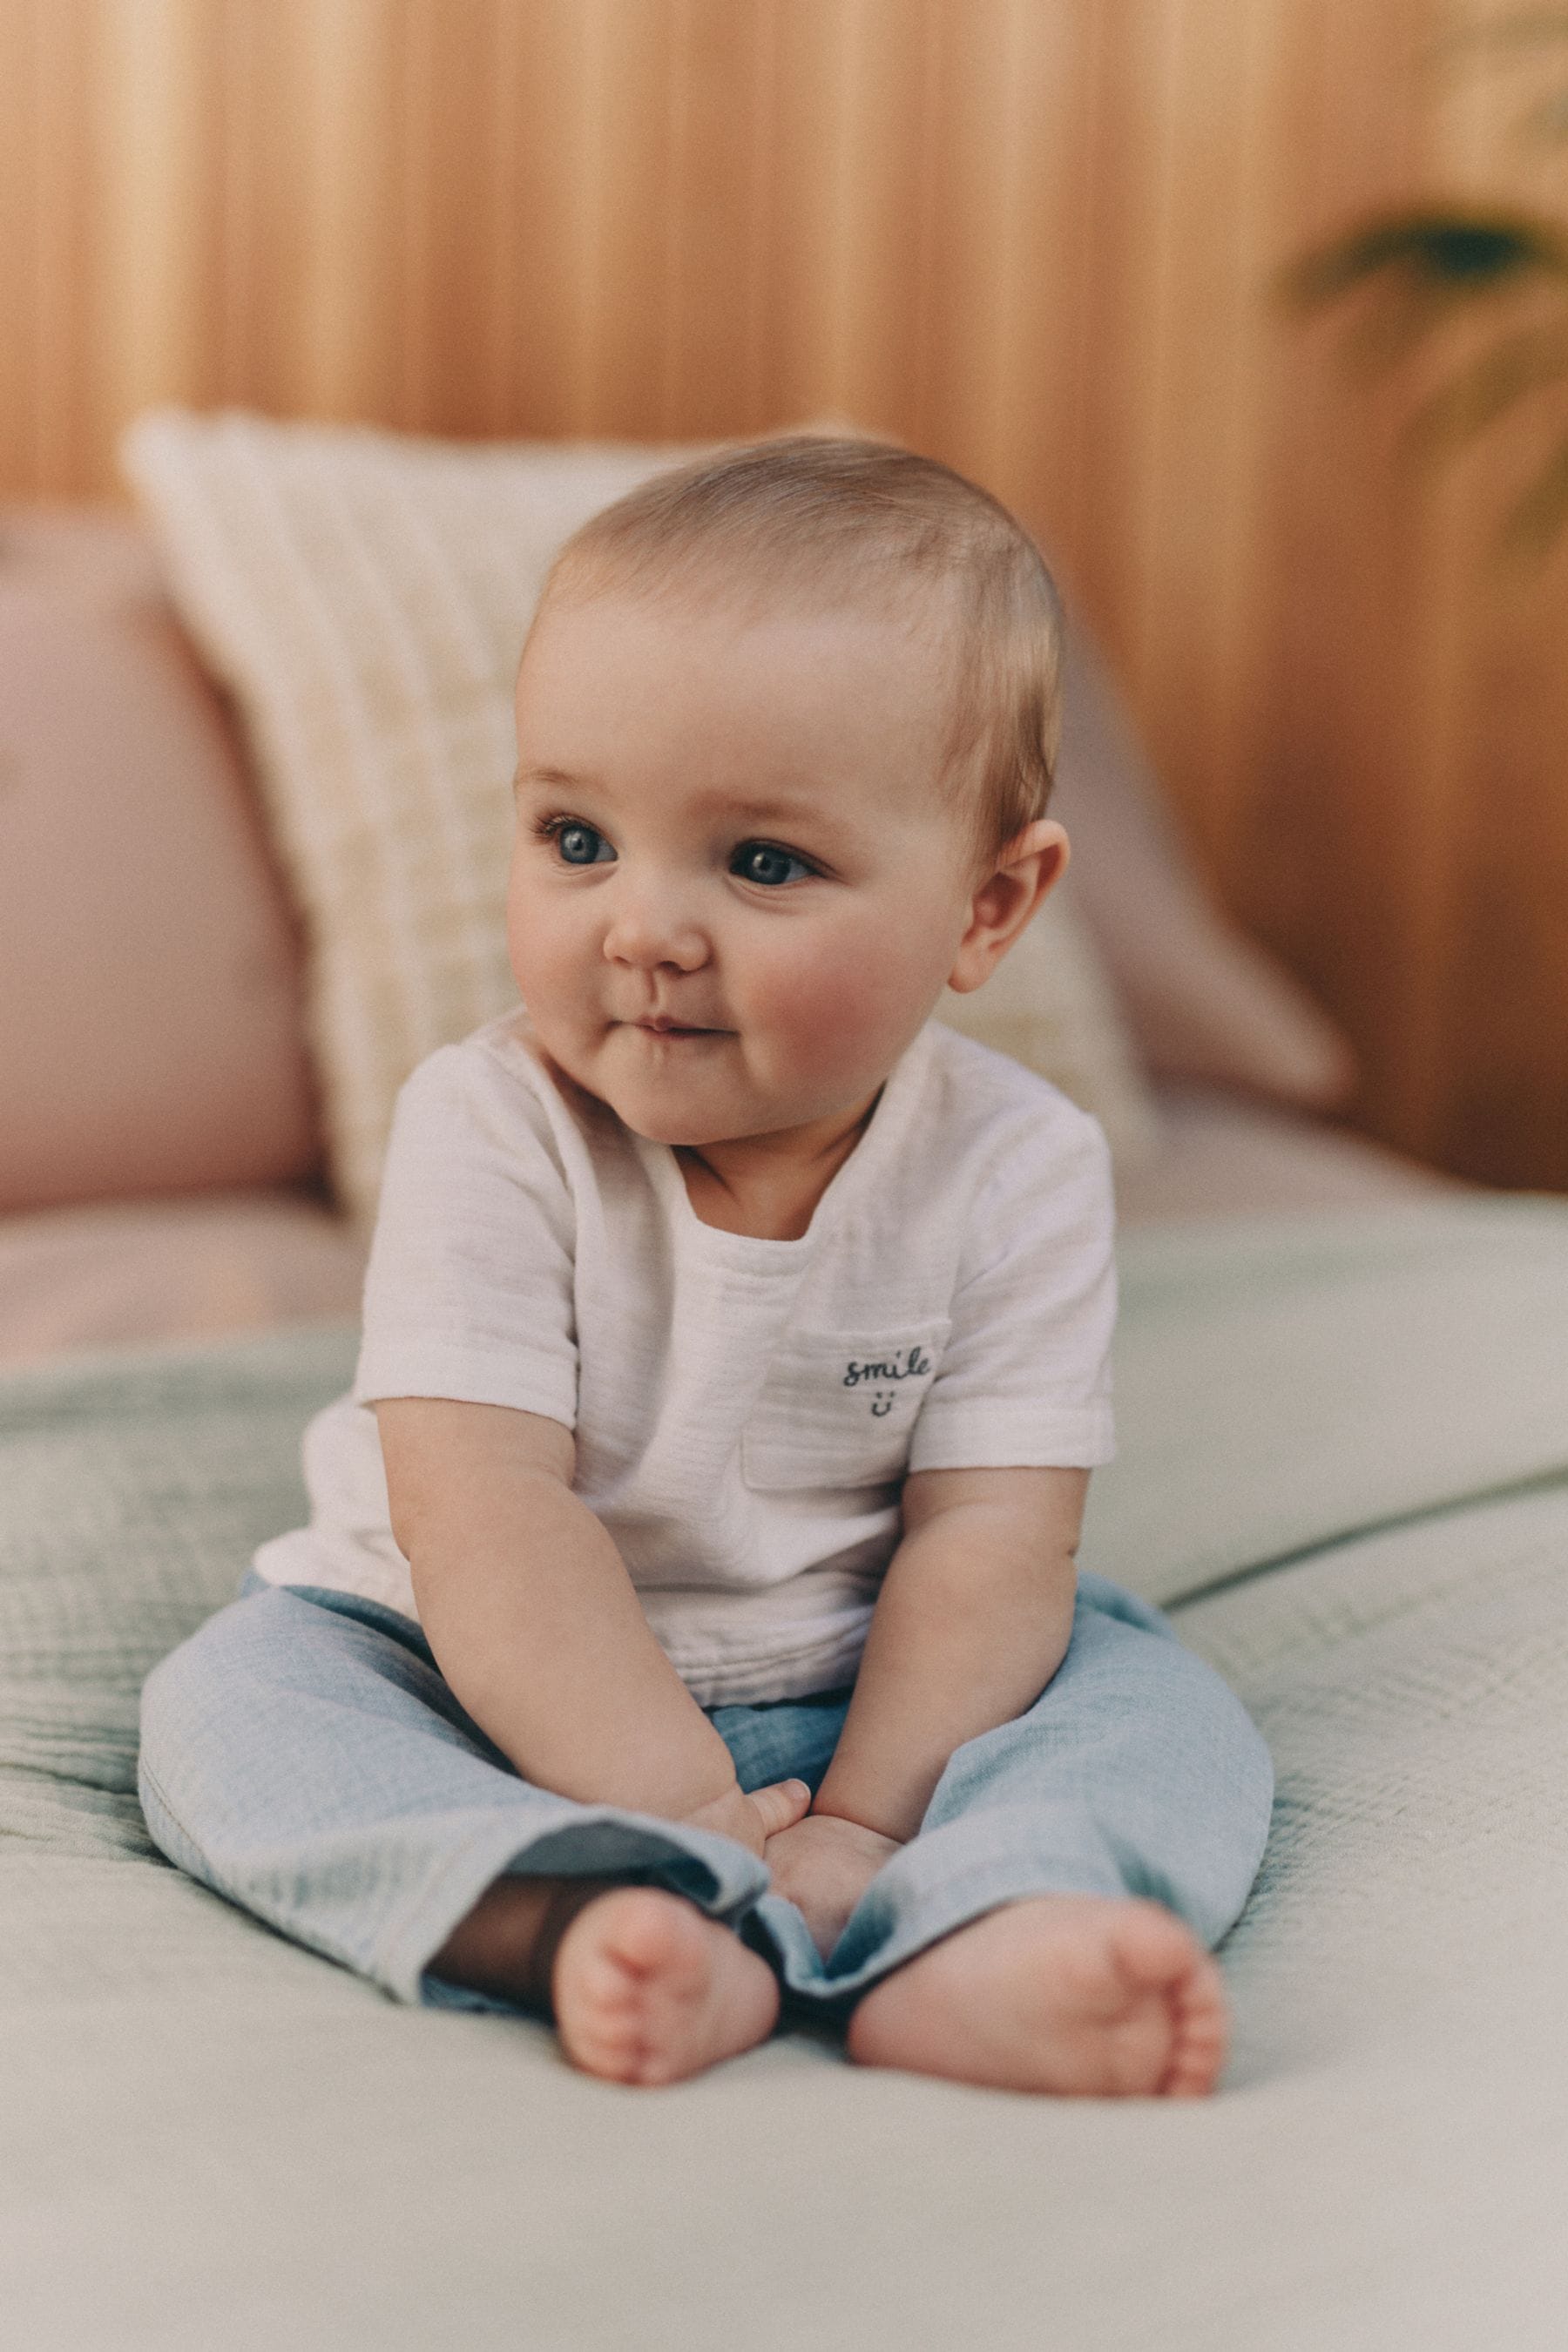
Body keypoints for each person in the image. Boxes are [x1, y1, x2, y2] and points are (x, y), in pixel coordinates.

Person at [139, 436, 1274, 2096]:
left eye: (761, 863)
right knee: (234, 1717)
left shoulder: (1021, 1165)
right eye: (577, 839)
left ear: (989, 906)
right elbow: (486, 1515)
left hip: (866, 1674)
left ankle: (975, 1929)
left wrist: (874, 1821)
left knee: (1160, 1711)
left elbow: (989, 1534)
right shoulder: (490, 1125)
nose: (643, 928)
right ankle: (580, 1914)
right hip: (464, 1656)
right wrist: (684, 1822)